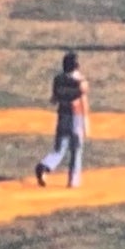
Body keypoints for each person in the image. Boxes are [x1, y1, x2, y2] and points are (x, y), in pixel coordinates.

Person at [36, 50, 92, 187]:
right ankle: (73, 181)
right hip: (76, 116)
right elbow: (83, 100)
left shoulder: (58, 79)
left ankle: (45, 165)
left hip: (62, 115)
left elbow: (54, 99)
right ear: (77, 65)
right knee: (76, 149)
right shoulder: (80, 82)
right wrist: (86, 121)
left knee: (59, 148)